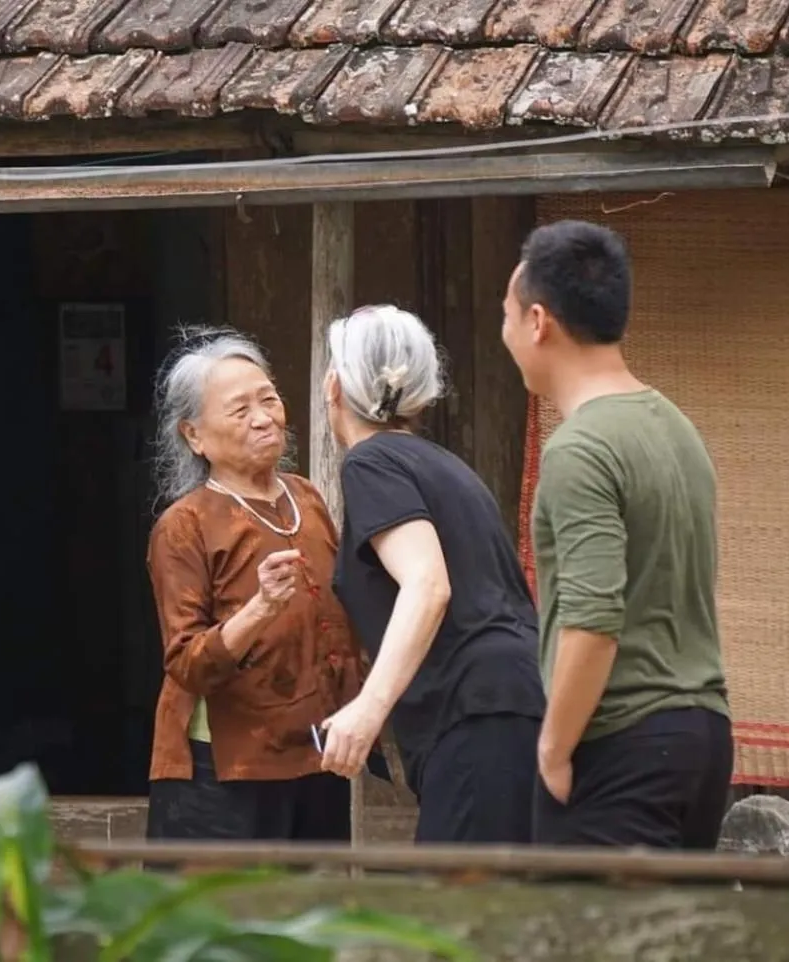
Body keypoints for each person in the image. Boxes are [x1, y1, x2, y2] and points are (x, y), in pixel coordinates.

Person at [501, 219, 733, 849]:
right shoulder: (674, 425)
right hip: (702, 737)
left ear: (538, 322)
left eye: (507, 314)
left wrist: (552, 746)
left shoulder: (580, 448)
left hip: (621, 744)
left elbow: (593, 618)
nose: (506, 332)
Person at [317, 304, 545, 844]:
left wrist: (368, 709)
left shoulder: (369, 463)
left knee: (455, 912)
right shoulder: (443, 464)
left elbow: (428, 583)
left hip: (479, 714)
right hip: (516, 703)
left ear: (333, 386)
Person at [144, 328, 364, 841]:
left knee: (310, 915)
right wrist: (261, 608)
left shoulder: (306, 497)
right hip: (222, 770)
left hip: (314, 753)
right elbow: (185, 663)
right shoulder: (184, 525)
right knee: (231, 917)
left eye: (269, 399)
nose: (264, 418)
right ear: (194, 436)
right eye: (240, 410)